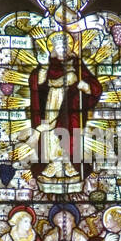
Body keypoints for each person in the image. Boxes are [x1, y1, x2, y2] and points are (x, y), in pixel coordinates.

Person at [26, 30, 102, 179]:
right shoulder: (47, 65)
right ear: (53, 49)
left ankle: (68, 162)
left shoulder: (76, 64)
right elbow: (37, 84)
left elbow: (94, 85)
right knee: (50, 132)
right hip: (52, 101)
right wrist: (42, 69)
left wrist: (85, 86)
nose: (62, 50)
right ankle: (53, 162)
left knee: (71, 131)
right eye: (58, 47)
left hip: (71, 104)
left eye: (64, 47)